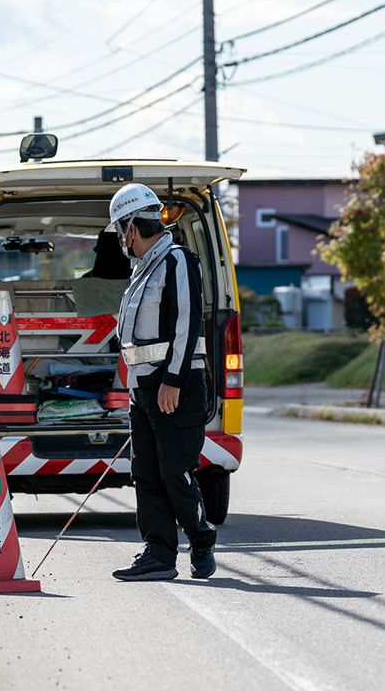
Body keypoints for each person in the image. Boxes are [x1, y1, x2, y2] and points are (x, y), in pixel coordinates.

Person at [107, 183, 216, 582]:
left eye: (121, 229)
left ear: (133, 226)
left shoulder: (176, 260)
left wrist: (172, 380)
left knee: (176, 472)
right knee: (146, 472)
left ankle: (200, 538)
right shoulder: (141, 271)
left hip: (177, 388)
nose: (122, 239)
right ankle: (158, 553)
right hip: (144, 390)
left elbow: (188, 323)